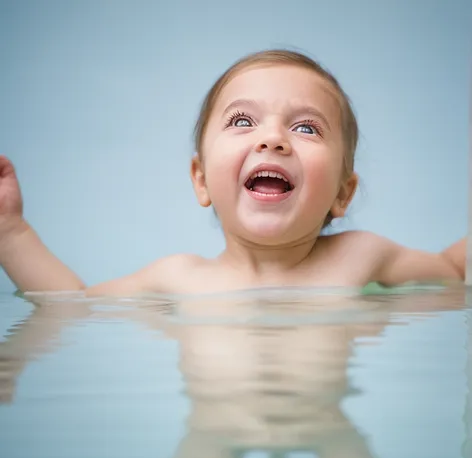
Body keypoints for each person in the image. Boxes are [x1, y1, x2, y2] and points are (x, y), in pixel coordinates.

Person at [0, 49, 465, 296]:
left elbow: (451, 271)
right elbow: (71, 308)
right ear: (201, 180)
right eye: (242, 121)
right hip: (214, 440)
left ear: (343, 194)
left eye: (306, 127)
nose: (273, 139)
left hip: (329, 435)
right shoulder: (179, 278)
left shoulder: (362, 258)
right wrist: (11, 232)